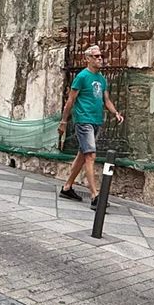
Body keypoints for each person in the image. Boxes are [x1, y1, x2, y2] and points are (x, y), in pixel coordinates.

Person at [57, 44, 124, 207]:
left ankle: (67, 188)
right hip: (83, 120)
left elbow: (106, 99)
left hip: (96, 121)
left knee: (83, 154)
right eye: (96, 56)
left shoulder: (101, 79)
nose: (100, 59)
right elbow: (71, 100)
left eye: (101, 56)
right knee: (90, 155)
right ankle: (95, 196)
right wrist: (64, 121)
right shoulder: (82, 76)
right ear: (87, 59)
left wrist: (115, 112)